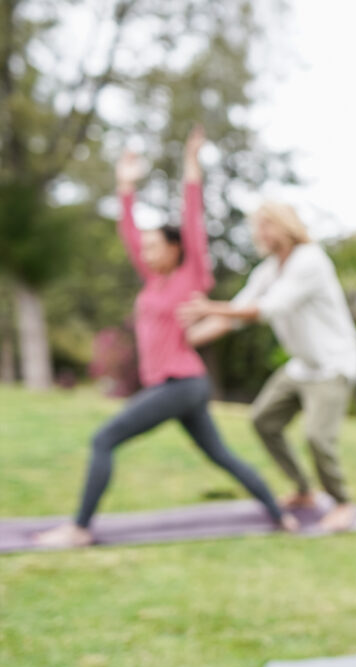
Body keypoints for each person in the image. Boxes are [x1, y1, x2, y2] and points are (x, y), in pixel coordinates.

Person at [35, 127, 295, 549]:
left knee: (104, 439)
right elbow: (129, 235)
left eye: (157, 245)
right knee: (221, 455)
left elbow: (192, 217)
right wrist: (125, 186)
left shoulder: (188, 276)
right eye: (147, 246)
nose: (148, 250)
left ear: (177, 249)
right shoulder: (152, 282)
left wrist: (192, 164)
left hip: (182, 382)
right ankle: (279, 514)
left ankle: (79, 528)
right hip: (180, 386)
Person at [178, 201, 356, 533]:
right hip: (303, 365)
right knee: (264, 420)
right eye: (257, 226)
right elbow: (236, 314)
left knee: (317, 437)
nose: (259, 233)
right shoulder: (268, 269)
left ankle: (343, 503)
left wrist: (208, 307)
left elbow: (267, 309)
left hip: (334, 363)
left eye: (266, 225)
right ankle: (305, 491)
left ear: (286, 226)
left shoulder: (310, 261)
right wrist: (187, 339)